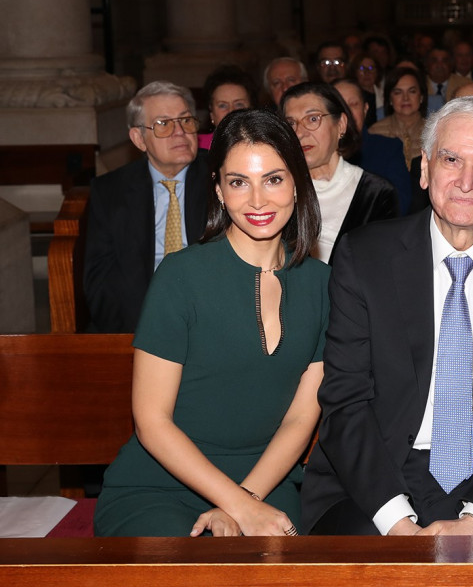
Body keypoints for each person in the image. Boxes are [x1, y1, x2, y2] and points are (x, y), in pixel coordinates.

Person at [300, 96, 473, 537]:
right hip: (377, 475)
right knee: (367, 574)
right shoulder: (363, 257)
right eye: (451, 159)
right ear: (426, 168)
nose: (467, 181)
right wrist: (396, 522)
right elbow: (345, 402)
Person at [94, 109, 329, 536]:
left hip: (267, 481)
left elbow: (300, 418)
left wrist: (247, 502)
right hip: (159, 485)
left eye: (273, 179)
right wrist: (236, 503)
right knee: (187, 578)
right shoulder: (181, 278)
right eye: (239, 182)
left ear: (297, 184)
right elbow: (151, 420)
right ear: (219, 190)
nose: (257, 200)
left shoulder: (322, 284)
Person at [84, 81, 208, 333]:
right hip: (139, 323)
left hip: (209, 320)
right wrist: (145, 334)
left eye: (185, 121)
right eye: (164, 124)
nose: (180, 132)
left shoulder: (223, 178)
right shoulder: (110, 192)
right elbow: (100, 284)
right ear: (139, 138)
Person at [281, 82, 398, 264]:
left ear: (341, 125)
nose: (300, 133)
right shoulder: (279, 194)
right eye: (291, 123)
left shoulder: (376, 193)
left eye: (312, 119)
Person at [333, 78, 412, 215]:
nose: (346, 112)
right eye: (339, 105)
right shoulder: (316, 154)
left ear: (365, 109)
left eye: (353, 104)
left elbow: (398, 204)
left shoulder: (388, 148)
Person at [369, 66, 428, 168]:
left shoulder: (435, 132)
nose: (405, 98)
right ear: (390, 99)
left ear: (421, 96)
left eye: (412, 91)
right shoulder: (375, 132)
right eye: (398, 92)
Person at [199, 65, 258, 150]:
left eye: (239, 104)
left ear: (251, 109)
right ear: (211, 114)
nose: (231, 111)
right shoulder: (196, 147)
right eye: (222, 105)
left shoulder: (265, 145)